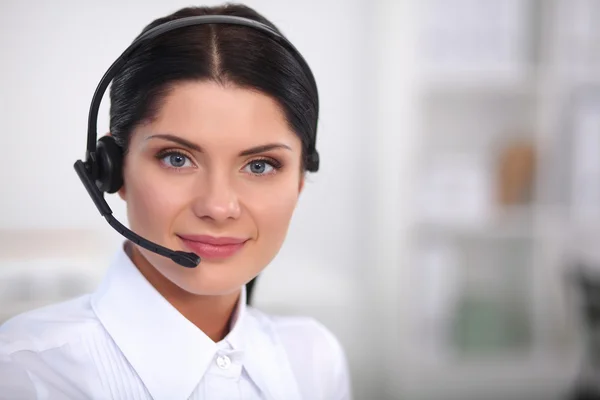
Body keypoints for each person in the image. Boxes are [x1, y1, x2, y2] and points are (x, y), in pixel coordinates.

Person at [0, 4, 352, 399]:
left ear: (301, 180)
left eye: (259, 165)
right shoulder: (25, 373)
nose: (219, 207)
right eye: (176, 159)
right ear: (113, 171)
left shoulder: (314, 360)